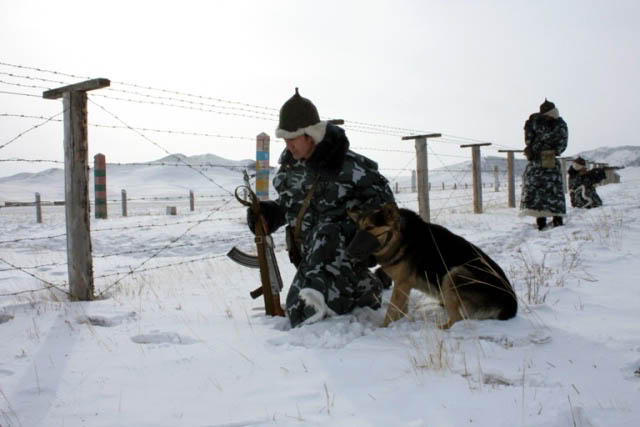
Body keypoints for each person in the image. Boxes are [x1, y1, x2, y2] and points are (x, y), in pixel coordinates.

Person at [246, 88, 395, 327]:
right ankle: (368, 286)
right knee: (307, 306)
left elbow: (388, 214)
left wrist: (367, 241)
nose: (288, 146)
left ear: (310, 135)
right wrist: (270, 214)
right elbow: (291, 205)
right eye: (284, 139)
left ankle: (366, 286)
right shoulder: (290, 167)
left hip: (344, 259)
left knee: (303, 311)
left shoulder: (352, 167)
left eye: (293, 138)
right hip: (310, 262)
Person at [520, 99, 568, 230]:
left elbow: (562, 144)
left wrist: (549, 150)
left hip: (546, 158)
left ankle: (555, 218)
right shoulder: (537, 121)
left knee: (551, 190)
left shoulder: (556, 123)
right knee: (541, 190)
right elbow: (529, 140)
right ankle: (543, 219)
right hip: (539, 159)